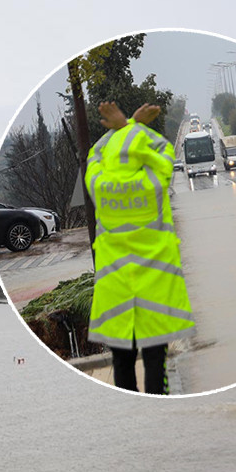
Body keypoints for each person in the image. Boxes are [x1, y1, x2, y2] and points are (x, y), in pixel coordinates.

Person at [85, 101, 196, 394]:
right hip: (155, 291)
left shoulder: (99, 183)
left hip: (116, 293)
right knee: (155, 364)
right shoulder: (155, 180)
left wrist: (122, 127)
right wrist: (135, 125)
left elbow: (94, 154)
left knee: (121, 365)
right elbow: (163, 150)